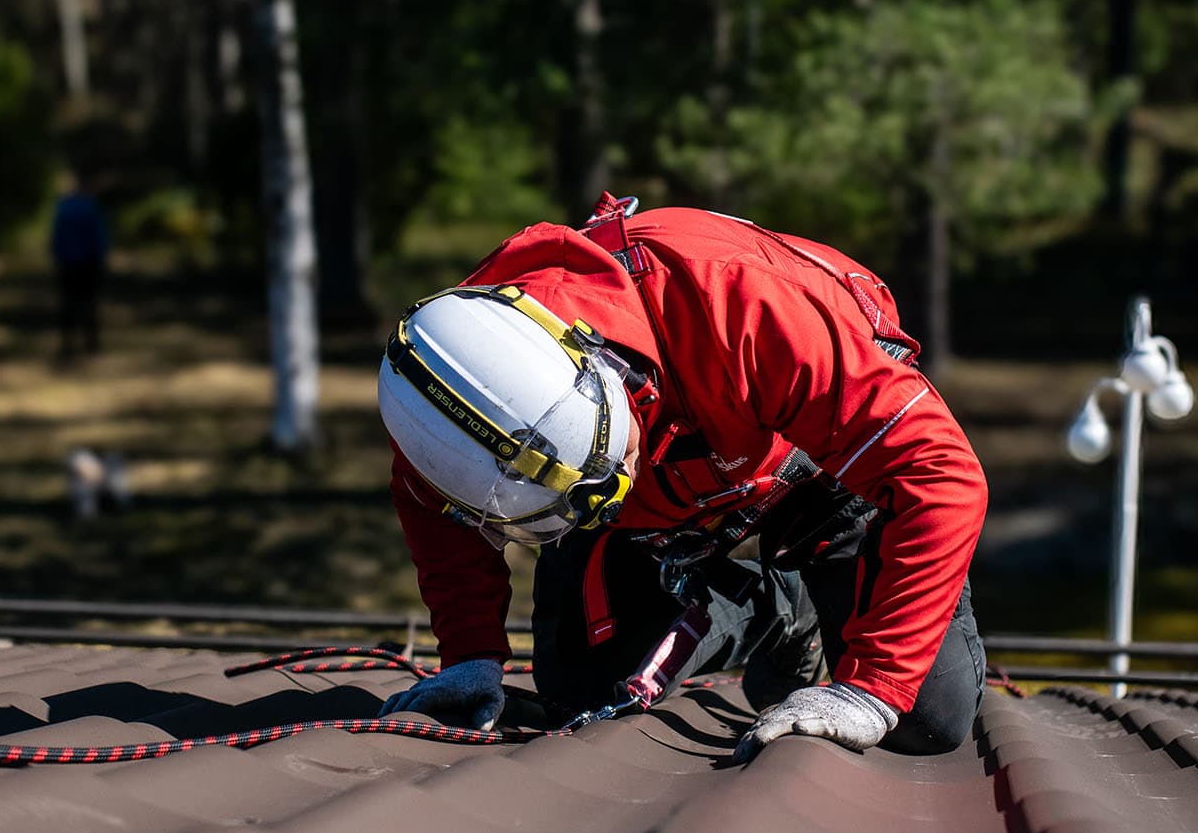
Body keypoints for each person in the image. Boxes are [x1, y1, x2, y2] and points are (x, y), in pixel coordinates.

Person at [376, 197, 988, 760]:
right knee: (582, 692)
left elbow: (943, 476)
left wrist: (871, 689)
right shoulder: (455, 382)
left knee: (924, 719)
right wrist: (471, 656)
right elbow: (433, 500)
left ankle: (807, 596)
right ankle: (770, 610)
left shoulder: (748, 310)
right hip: (659, 489)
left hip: (807, 462)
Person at [49, 172, 109, 361]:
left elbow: (56, 237)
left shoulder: (63, 208)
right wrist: (101, 258)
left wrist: (57, 255)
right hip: (89, 262)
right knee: (89, 302)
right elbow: (99, 236)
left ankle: (68, 343)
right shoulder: (91, 207)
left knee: (68, 303)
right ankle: (91, 343)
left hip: (67, 262)